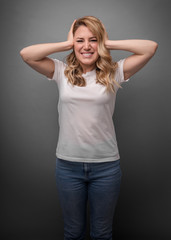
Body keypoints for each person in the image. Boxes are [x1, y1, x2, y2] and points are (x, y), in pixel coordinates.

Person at [20, 16, 158, 240]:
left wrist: (106, 42)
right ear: (73, 44)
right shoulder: (61, 72)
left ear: (100, 43)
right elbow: (26, 54)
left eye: (93, 40)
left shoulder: (114, 73)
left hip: (106, 168)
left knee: (102, 234)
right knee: (73, 233)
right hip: (67, 167)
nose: (86, 46)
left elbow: (150, 48)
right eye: (80, 41)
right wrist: (66, 44)